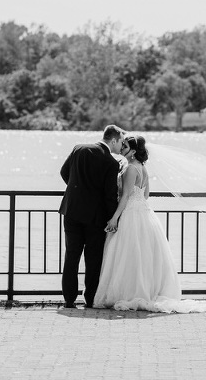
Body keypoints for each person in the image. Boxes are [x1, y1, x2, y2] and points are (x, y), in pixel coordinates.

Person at [93, 135, 206, 313]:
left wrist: (114, 218)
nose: (121, 149)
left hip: (130, 215)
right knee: (143, 256)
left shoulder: (130, 170)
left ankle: (129, 292)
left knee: (128, 256)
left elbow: (126, 196)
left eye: (125, 147)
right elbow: (145, 195)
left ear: (133, 152)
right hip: (145, 214)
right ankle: (147, 290)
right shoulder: (142, 168)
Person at [59, 124, 126, 308]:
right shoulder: (110, 163)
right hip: (95, 217)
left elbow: (64, 173)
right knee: (93, 258)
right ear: (113, 140)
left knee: (71, 255)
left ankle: (69, 299)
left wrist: (77, 190)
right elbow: (110, 195)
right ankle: (90, 299)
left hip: (71, 211)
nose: (121, 146)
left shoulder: (78, 149)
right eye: (120, 142)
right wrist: (114, 218)